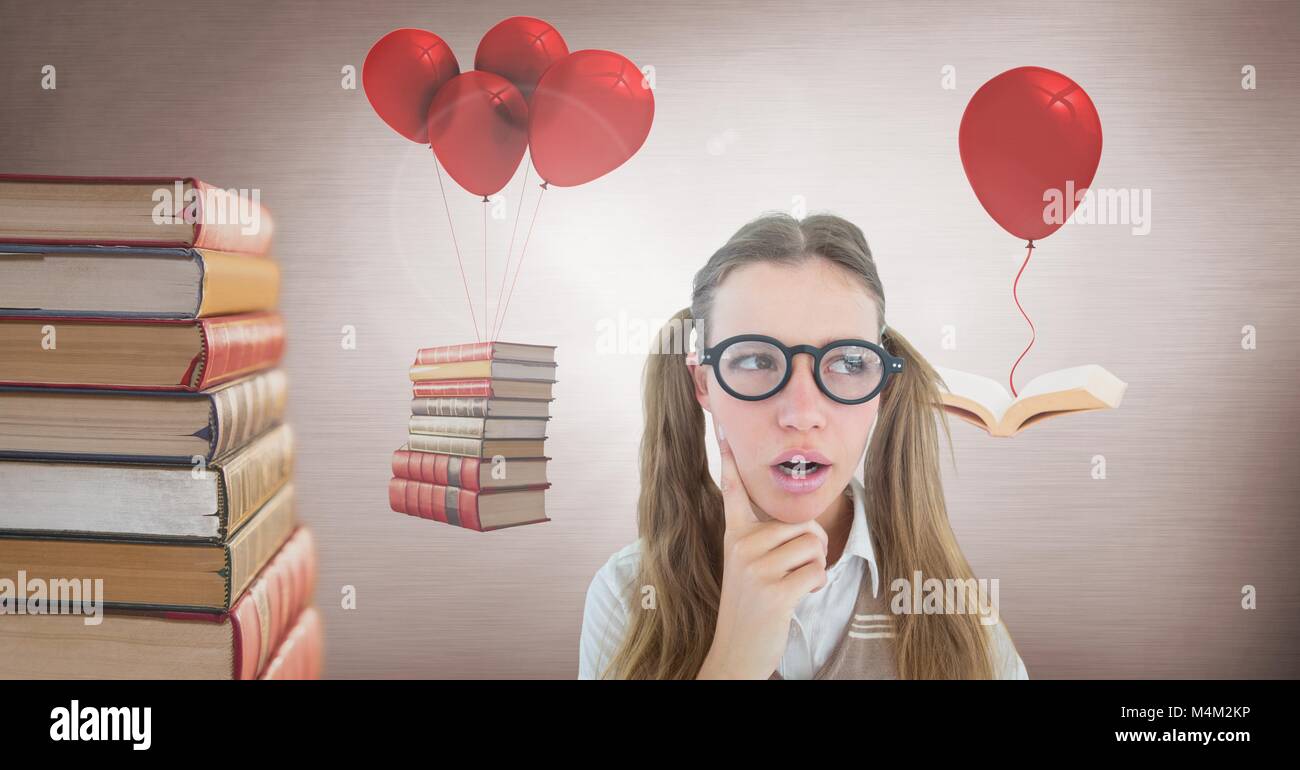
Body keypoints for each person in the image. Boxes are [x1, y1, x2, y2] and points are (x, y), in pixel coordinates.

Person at [579, 212, 1028, 679]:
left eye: (849, 362)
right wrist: (733, 659)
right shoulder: (626, 594)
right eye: (755, 359)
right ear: (703, 384)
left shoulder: (951, 602)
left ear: (881, 386)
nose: (801, 415)